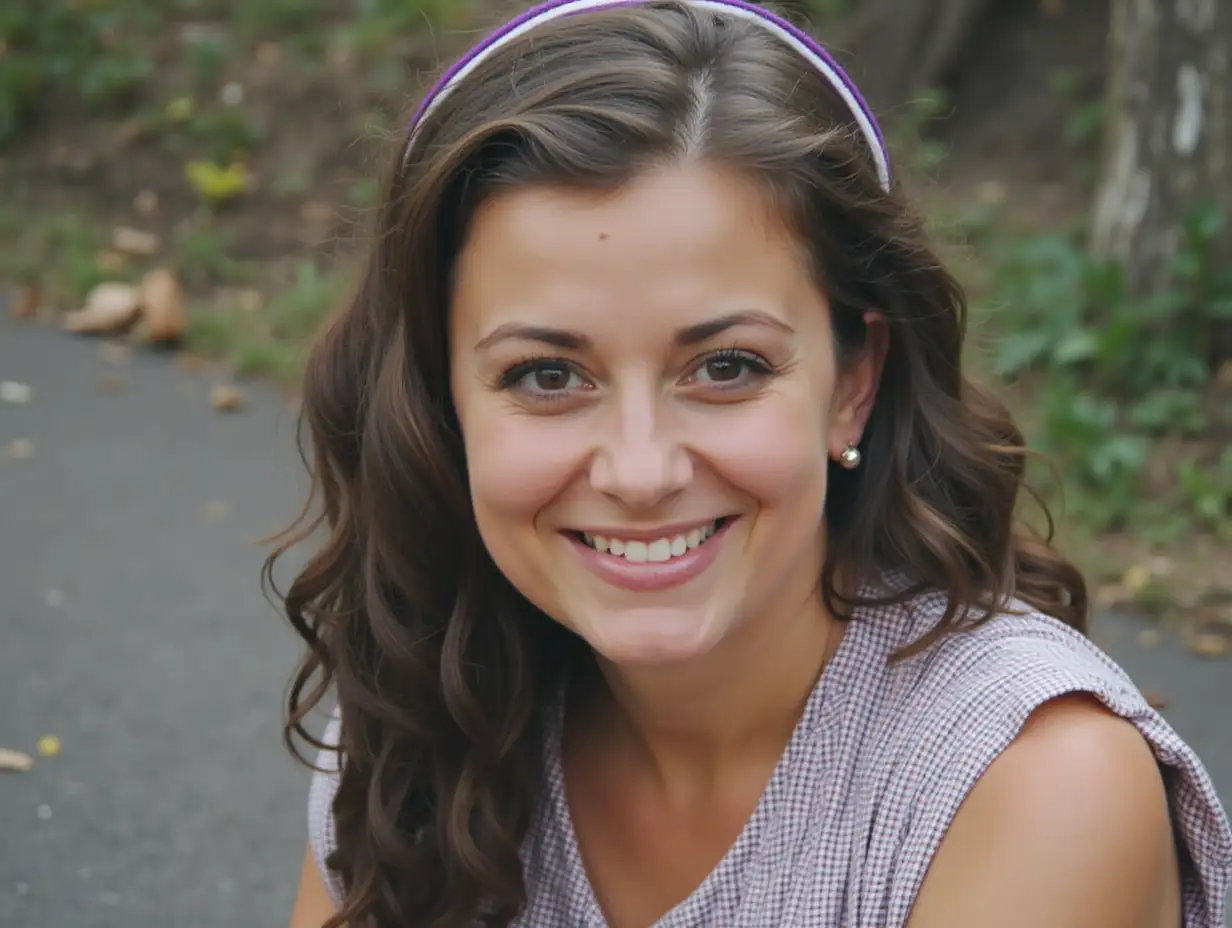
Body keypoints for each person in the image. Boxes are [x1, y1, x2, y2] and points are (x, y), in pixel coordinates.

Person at [275, 0, 1232, 925]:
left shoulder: (1032, 785)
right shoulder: (424, 700)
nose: (640, 472)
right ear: (440, 405)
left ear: (853, 380)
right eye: (547, 374)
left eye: (726, 367)